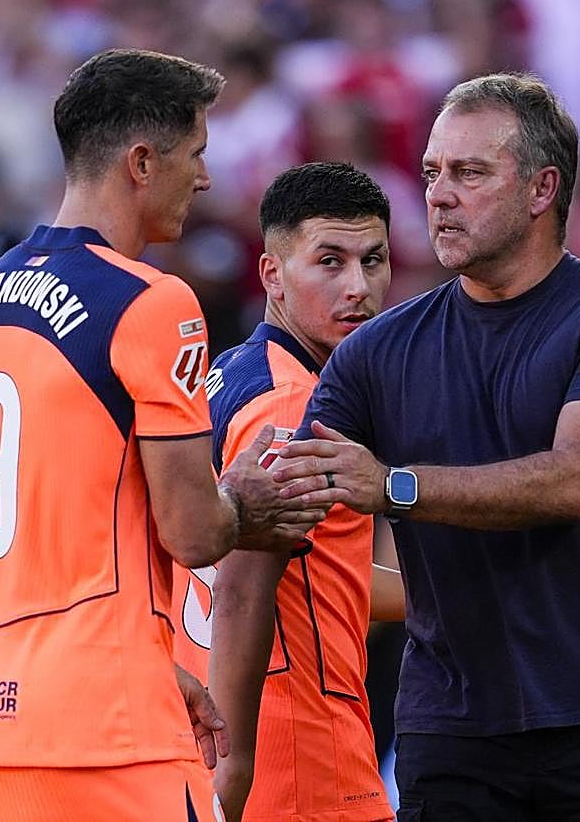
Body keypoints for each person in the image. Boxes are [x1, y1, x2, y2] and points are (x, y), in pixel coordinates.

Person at [0, 48, 325, 822]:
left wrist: (156, 665)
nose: (204, 179)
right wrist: (247, 500)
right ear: (142, 162)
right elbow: (196, 531)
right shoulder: (153, 301)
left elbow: (48, 524)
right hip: (102, 735)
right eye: (196, 154)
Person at [275, 73, 580, 820]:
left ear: (542, 189)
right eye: (432, 172)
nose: (438, 194)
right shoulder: (376, 351)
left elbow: (575, 482)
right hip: (450, 731)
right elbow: (280, 516)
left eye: (469, 172)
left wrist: (395, 488)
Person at [172, 162, 404, 822]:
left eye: (373, 260)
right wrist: (237, 764)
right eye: (329, 261)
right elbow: (243, 588)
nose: (358, 287)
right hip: (299, 756)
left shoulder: (225, 378)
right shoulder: (297, 403)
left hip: (219, 743)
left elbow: (325, 577)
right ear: (272, 274)